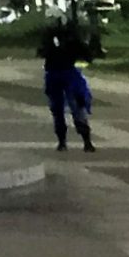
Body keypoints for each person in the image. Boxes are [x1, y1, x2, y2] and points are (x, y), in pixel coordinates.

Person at [38, 8, 99, 152]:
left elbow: (83, 53)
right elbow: (43, 51)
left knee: (76, 105)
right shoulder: (50, 37)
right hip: (56, 74)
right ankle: (65, 141)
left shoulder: (69, 36)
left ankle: (84, 140)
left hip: (67, 73)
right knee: (59, 108)